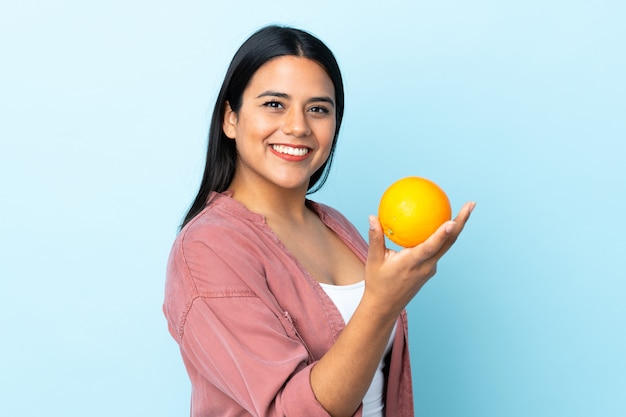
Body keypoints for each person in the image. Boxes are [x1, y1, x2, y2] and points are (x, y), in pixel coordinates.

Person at [163, 25, 475, 417]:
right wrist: (382, 302)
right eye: (274, 104)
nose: (298, 127)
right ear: (230, 118)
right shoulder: (208, 250)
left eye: (318, 109)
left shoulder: (336, 226)